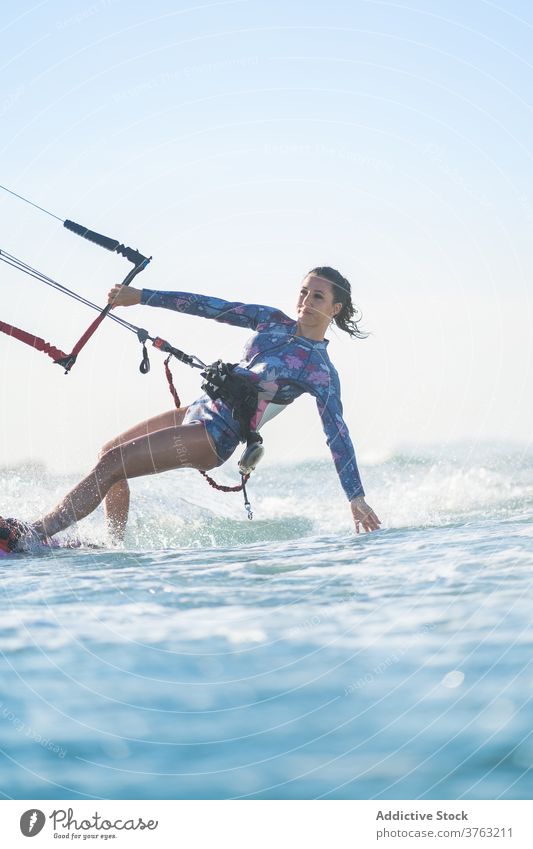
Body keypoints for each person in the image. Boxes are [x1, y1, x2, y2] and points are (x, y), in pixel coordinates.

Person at [0, 267, 380, 552]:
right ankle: (111, 547)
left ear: (336, 307)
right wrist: (142, 296)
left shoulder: (320, 371)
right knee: (108, 456)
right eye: (303, 292)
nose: (305, 302)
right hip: (195, 412)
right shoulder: (272, 320)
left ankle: (34, 534)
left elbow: (338, 435)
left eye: (317, 297)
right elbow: (208, 306)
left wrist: (356, 497)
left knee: (115, 460)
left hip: (215, 437)